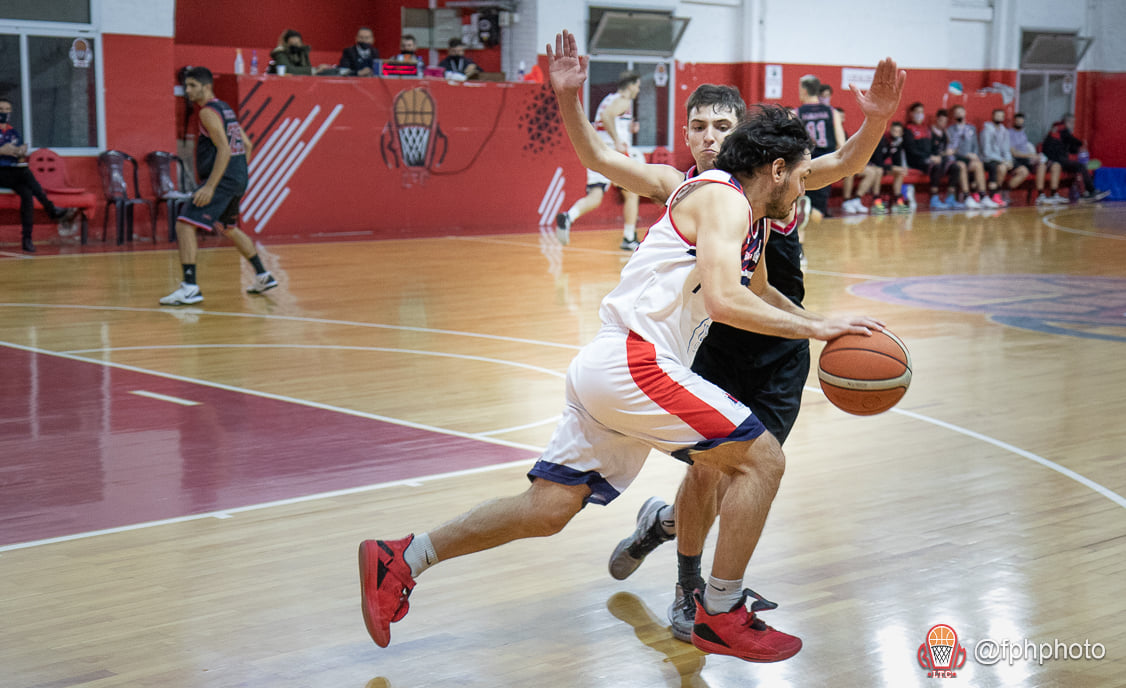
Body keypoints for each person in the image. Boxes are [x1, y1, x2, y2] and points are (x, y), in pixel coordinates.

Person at [360, 97, 888, 662]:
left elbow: (755, 290)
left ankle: (403, 557)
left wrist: (823, 326)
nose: (808, 183)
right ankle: (721, 610)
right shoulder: (723, 197)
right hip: (635, 364)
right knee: (762, 460)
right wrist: (818, 328)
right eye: (803, 173)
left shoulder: (747, 219)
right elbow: (724, 298)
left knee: (547, 509)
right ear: (778, 169)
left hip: (610, 369)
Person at [543, 30, 905, 643]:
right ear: (687, 135)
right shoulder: (682, 186)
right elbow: (601, 162)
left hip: (777, 343)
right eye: (699, 126)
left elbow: (844, 165)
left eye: (722, 126)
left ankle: (665, 531)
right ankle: (695, 589)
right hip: (709, 339)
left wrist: (872, 121)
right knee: (715, 470)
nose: (710, 138)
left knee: (749, 471)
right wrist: (570, 101)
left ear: (745, 137)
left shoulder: (777, 181)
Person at [159, 67, 277, 306]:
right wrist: (239, 172)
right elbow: (247, 144)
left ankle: (190, 287)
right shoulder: (225, 108)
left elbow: (224, 148)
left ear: (206, 86)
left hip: (222, 180)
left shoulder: (207, 113)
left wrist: (210, 187)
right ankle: (263, 275)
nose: (188, 91)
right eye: (186, 86)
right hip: (236, 178)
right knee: (228, 227)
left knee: (184, 224)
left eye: (193, 85)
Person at [555, 70, 643, 251]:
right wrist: (618, 140)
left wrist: (628, 129)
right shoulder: (623, 100)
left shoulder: (608, 99)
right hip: (612, 154)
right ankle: (629, 237)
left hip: (597, 151)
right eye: (638, 86)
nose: (638, 90)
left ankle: (568, 216)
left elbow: (606, 119)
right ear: (631, 85)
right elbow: (607, 117)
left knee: (595, 196)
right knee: (633, 193)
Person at [0, 97, 72, 252]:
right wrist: (0, 151)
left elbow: (21, 159)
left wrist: (19, 153)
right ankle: (50, 208)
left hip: (12, 173)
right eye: (0, 109)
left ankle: (27, 239)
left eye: (7, 110)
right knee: (25, 174)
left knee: (27, 192)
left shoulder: (13, 132)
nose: (4, 113)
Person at [796, 74, 845, 221]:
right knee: (818, 207)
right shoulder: (832, 112)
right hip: (826, 162)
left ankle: (802, 237)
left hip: (804, 163)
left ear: (804, 90)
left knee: (801, 202)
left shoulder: (797, 113)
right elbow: (841, 143)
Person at [1041, 113, 1110, 202]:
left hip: (1060, 158)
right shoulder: (1060, 128)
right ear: (1067, 122)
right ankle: (1092, 191)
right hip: (1055, 159)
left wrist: (1078, 150)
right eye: (1072, 122)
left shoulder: (1062, 133)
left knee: (1079, 167)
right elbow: (1071, 140)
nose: (1073, 125)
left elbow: (1070, 147)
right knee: (1080, 166)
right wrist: (1081, 144)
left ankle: (1085, 193)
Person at [945, 104, 994, 208]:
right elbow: (951, 149)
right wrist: (965, 154)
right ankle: (967, 197)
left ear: (965, 113)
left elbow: (975, 145)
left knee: (978, 164)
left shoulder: (971, 128)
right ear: (953, 115)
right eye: (957, 113)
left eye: (961, 112)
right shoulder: (950, 130)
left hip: (970, 158)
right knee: (961, 165)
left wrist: (975, 156)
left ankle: (983, 196)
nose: (959, 114)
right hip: (957, 158)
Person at [1008, 113, 1059, 205]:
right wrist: (1031, 156)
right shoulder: (1010, 133)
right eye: (1018, 120)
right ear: (1014, 121)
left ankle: (1040, 195)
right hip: (1016, 160)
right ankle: (1004, 194)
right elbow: (1014, 153)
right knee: (1024, 171)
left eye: (1021, 121)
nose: (1020, 122)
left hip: (1027, 160)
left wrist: (1035, 157)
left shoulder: (1023, 133)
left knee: (1042, 165)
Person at [979, 108, 1014, 206]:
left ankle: (995, 194)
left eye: (1001, 116)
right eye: (997, 115)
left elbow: (1006, 149)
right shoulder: (986, 130)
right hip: (986, 159)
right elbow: (986, 151)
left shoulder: (1004, 131)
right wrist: (1003, 160)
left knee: (1003, 168)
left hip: (1000, 160)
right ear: (992, 116)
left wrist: (1008, 160)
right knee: (997, 166)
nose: (999, 118)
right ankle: (992, 195)